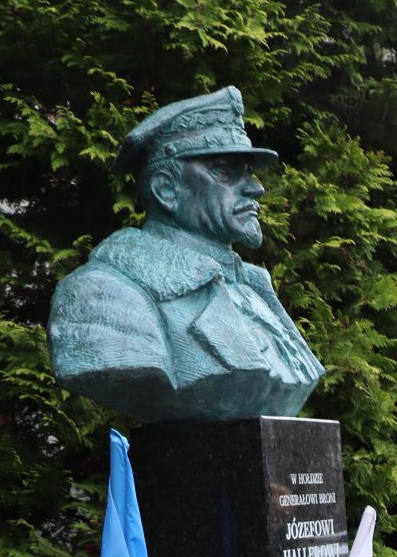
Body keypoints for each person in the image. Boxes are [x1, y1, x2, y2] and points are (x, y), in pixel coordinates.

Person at [49, 87, 326, 424]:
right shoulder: (101, 294)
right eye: (225, 172)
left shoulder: (253, 289)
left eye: (249, 171)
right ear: (166, 189)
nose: (256, 188)